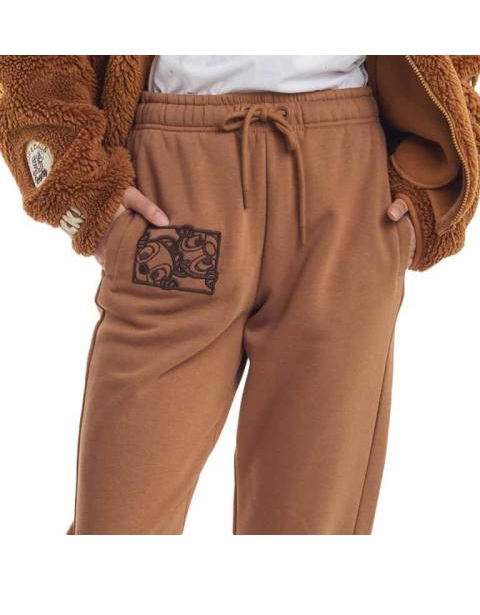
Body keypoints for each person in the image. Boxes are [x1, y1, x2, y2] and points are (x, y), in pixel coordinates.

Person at [0, 55, 478, 535]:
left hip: (344, 193)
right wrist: (85, 198)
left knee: (310, 534)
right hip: (176, 188)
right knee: (119, 529)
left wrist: (425, 197)